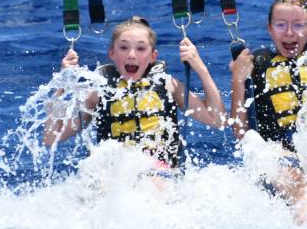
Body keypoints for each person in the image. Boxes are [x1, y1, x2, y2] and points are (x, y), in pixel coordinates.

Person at [44, 16, 226, 169]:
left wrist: (200, 67)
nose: (132, 55)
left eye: (140, 48)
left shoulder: (169, 86)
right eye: (124, 47)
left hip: (160, 172)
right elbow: (52, 137)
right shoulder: (98, 93)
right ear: (112, 54)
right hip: (115, 175)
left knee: (156, 182)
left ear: (153, 56)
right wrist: (62, 82)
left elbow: (217, 120)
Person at [229, 0, 307, 208]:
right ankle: (306, 228)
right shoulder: (257, 65)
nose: (290, 32)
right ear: (270, 29)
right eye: (281, 25)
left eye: (299, 25)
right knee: (300, 186)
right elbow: (240, 133)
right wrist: (238, 81)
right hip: (275, 156)